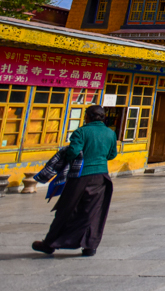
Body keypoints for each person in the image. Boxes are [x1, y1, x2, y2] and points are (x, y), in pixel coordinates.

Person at [32, 105, 118, 257]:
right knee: (94, 211)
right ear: (103, 117)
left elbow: (72, 152)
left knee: (67, 209)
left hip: (80, 177)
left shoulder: (81, 132)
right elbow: (111, 155)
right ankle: (90, 246)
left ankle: (50, 243)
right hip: (101, 177)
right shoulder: (110, 133)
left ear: (88, 117)